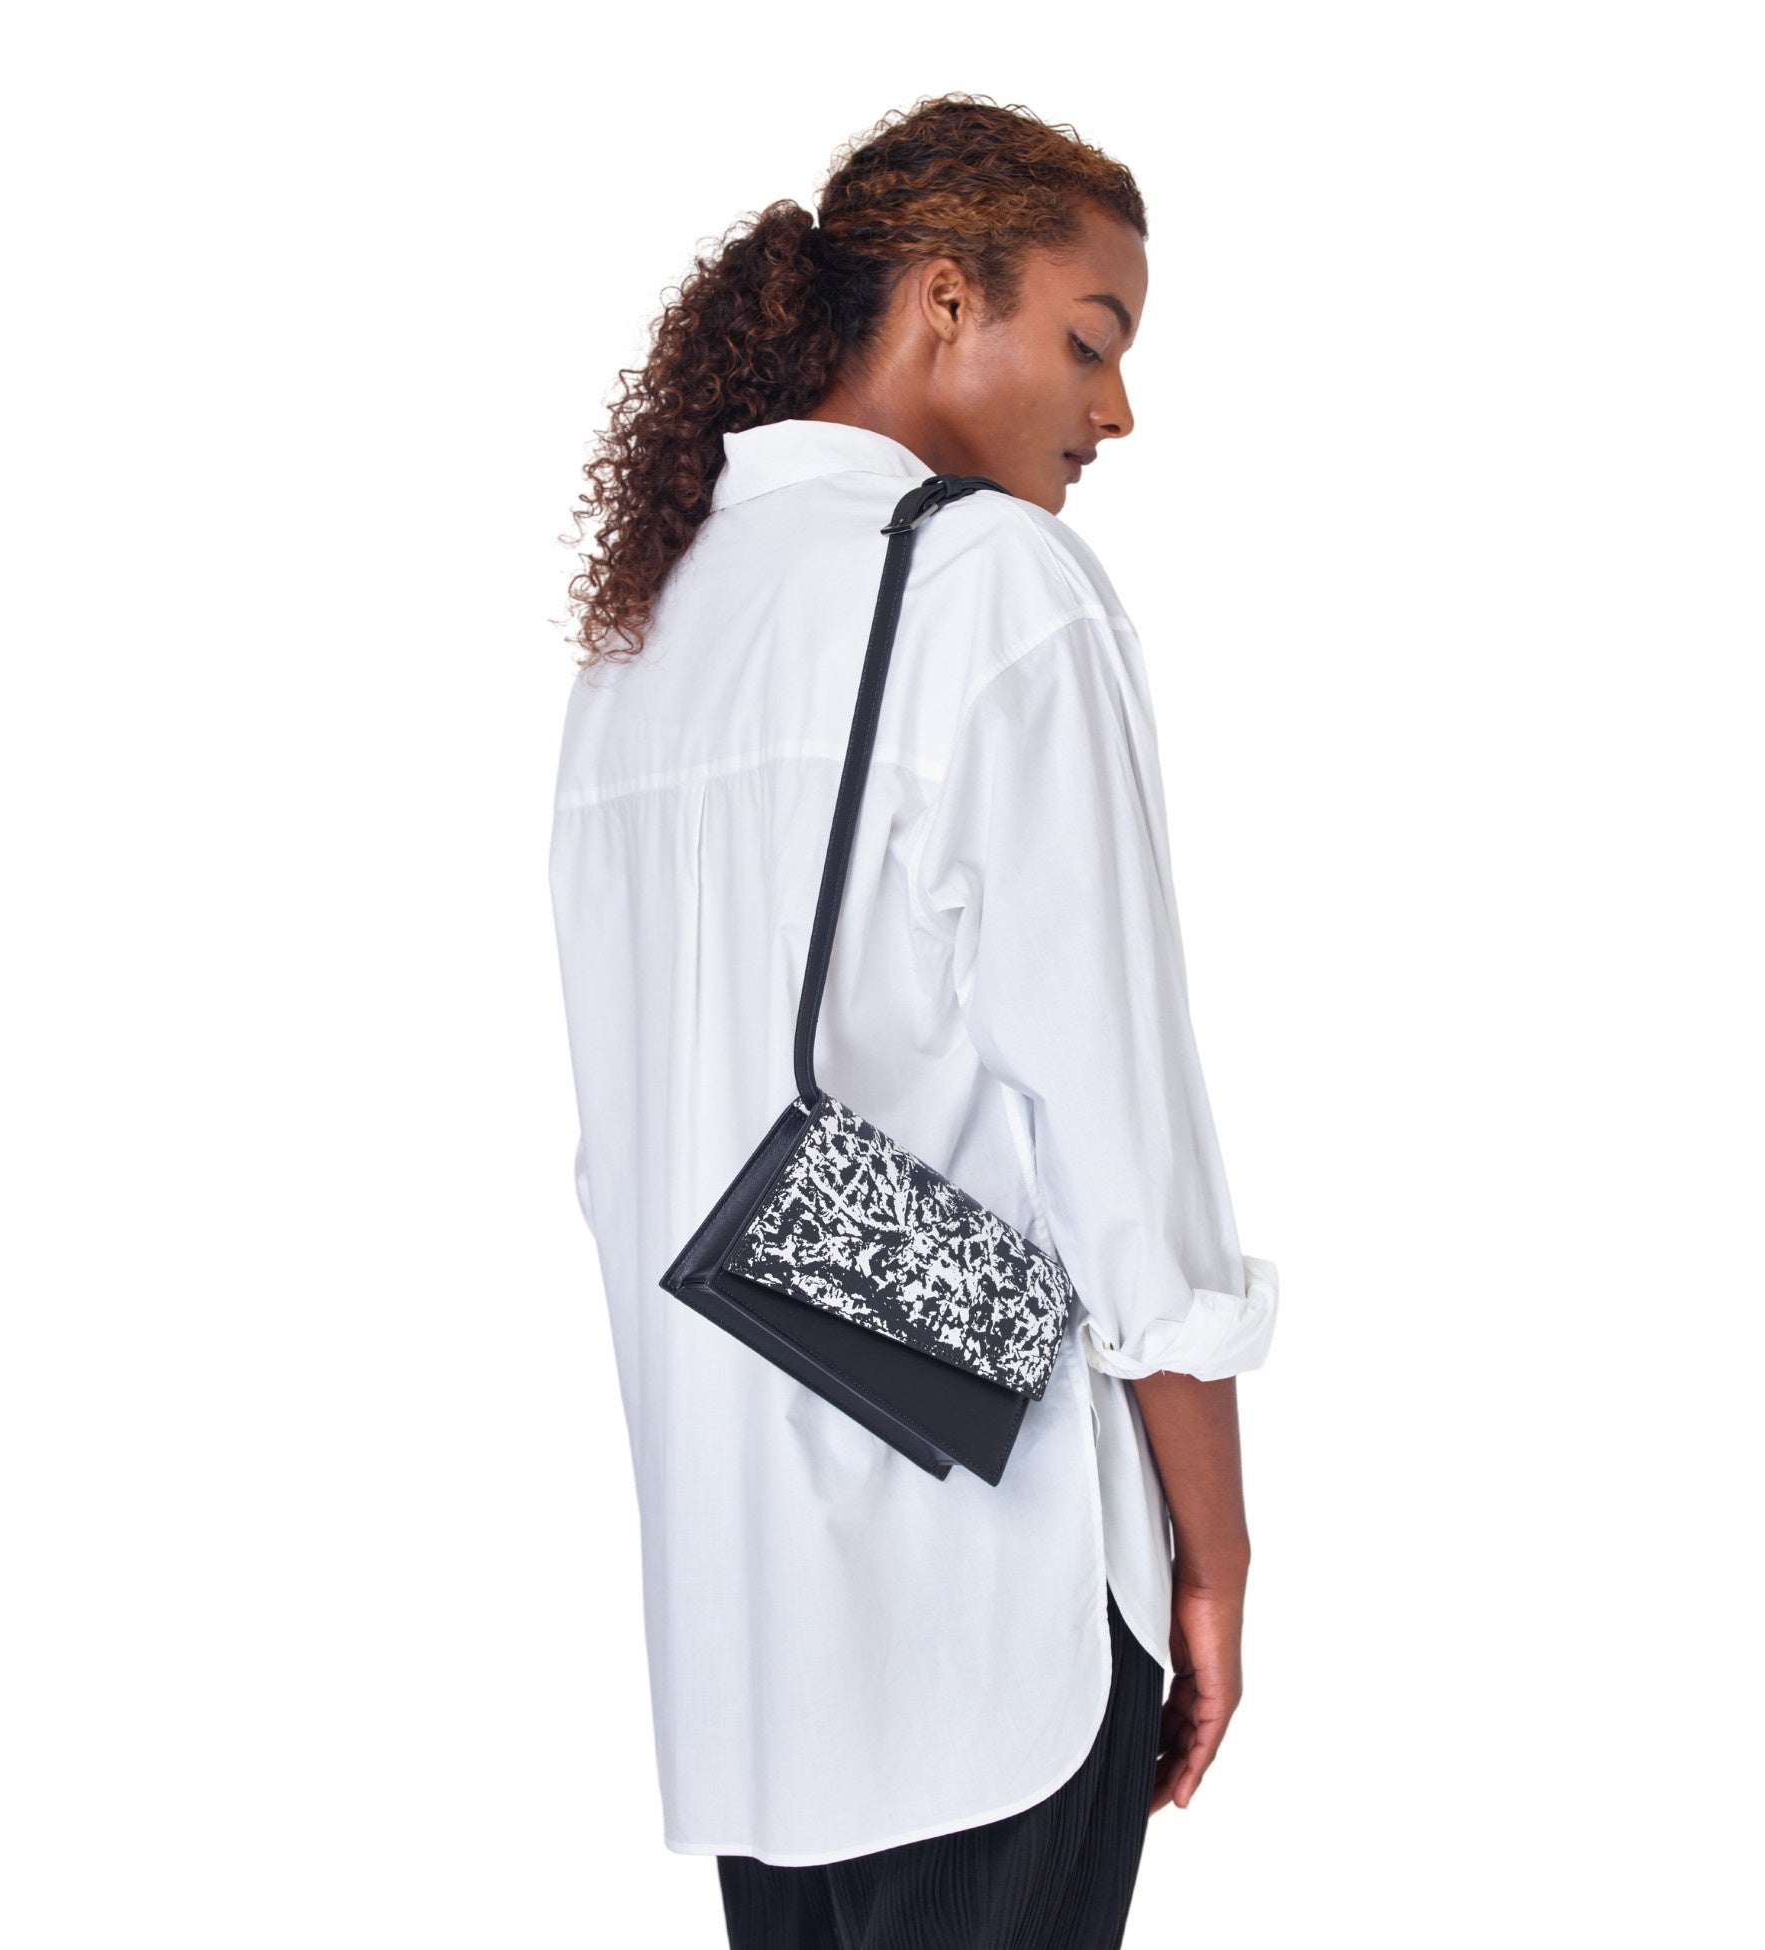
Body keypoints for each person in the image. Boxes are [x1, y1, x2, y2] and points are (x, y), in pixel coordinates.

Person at [548, 93, 1280, 1948]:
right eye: (1091, 341)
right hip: (989, 1597)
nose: (1117, 411)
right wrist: (1211, 1543)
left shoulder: (653, 620)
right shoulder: (991, 585)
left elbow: (621, 1144)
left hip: (745, 1634)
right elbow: (1123, 1143)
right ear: (945, 299)